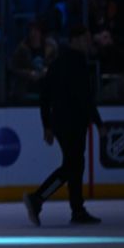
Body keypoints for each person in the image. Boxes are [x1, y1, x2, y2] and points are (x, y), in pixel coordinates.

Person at [24, 25, 104, 226]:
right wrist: (98, 123)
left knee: (75, 165)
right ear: (75, 40)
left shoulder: (58, 62)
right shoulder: (77, 63)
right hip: (74, 123)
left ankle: (77, 209)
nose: (88, 43)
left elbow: (45, 95)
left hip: (61, 122)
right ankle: (38, 198)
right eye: (85, 39)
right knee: (72, 166)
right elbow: (85, 98)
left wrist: (47, 125)